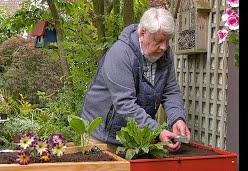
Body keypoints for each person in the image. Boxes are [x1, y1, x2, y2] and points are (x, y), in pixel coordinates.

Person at [80, 7, 191, 153]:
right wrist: (157, 131)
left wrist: (177, 118)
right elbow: (125, 103)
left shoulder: (165, 56)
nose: (164, 47)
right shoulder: (120, 54)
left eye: (167, 41)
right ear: (143, 33)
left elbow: (170, 91)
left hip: (134, 138)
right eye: (158, 40)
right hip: (101, 138)